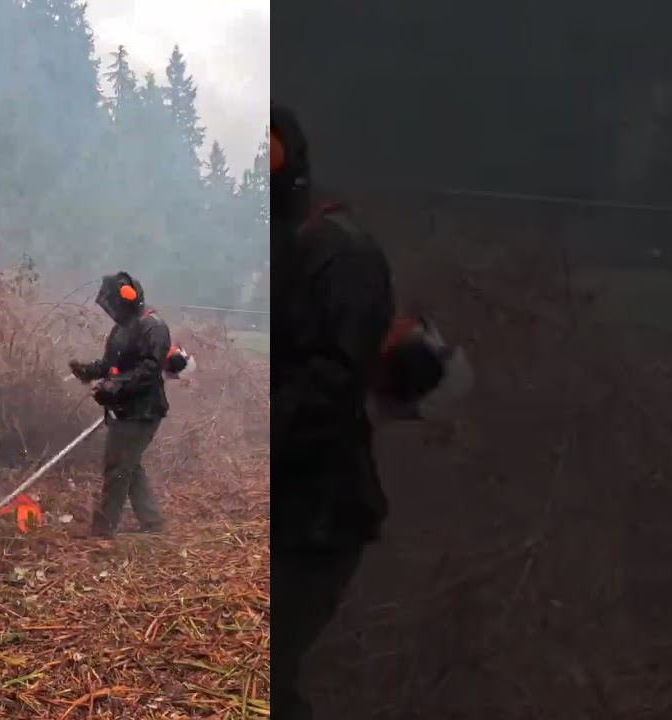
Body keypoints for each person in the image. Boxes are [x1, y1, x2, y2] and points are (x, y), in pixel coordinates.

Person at [273, 102, 396, 719]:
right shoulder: (285, 248)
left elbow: (330, 383)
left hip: (318, 513)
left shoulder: (339, 255)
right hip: (287, 506)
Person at [68, 272, 171, 539]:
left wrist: (115, 386)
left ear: (128, 299)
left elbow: (149, 370)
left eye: (114, 304)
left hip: (144, 411)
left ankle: (103, 530)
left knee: (117, 467)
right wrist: (89, 371)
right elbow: (109, 364)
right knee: (129, 465)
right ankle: (152, 521)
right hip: (124, 409)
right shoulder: (121, 329)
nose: (111, 310)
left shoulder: (153, 327)